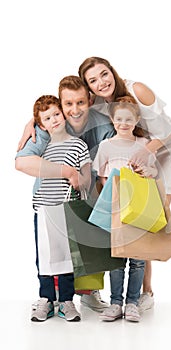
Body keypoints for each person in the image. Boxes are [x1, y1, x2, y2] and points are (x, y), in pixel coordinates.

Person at [78, 56, 171, 320]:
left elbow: (168, 132)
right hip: (135, 151)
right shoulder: (99, 101)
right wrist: (30, 125)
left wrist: (146, 152)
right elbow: (63, 108)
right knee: (138, 217)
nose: (102, 82)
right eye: (93, 80)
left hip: (165, 151)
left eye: (104, 74)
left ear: (112, 71)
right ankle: (146, 292)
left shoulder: (137, 90)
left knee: (160, 220)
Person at [15, 76, 114, 312]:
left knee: (88, 246)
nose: (75, 110)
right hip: (51, 201)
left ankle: (88, 292)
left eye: (81, 102)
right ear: (60, 104)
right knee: (52, 251)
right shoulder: (50, 124)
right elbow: (22, 163)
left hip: (90, 194)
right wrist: (66, 171)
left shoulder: (102, 126)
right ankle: (52, 297)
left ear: (90, 100)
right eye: (67, 104)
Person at [19, 95, 91, 322]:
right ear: (42, 125)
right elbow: (26, 163)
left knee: (67, 256)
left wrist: (79, 178)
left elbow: (86, 177)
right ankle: (46, 299)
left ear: (63, 113)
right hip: (43, 208)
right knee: (45, 256)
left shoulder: (78, 144)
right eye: (47, 118)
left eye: (56, 114)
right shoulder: (42, 147)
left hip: (67, 208)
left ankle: (67, 301)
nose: (54, 120)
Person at [93, 96, 158, 322]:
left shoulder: (142, 145)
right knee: (117, 258)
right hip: (115, 209)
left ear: (137, 119)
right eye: (119, 119)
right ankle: (115, 303)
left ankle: (132, 303)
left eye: (128, 119)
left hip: (138, 208)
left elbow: (153, 172)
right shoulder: (106, 146)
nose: (123, 123)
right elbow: (101, 176)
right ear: (112, 119)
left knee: (138, 259)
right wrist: (111, 200)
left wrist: (147, 172)